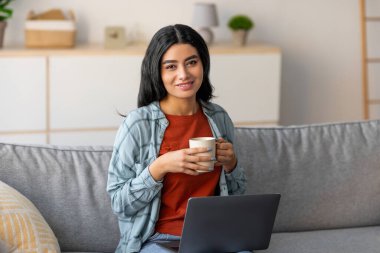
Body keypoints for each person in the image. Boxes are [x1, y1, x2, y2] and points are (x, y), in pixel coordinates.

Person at [107, 24, 247, 253]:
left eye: (192, 62)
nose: (184, 74)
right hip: (159, 240)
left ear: (203, 64)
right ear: (158, 72)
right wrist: (158, 168)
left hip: (216, 237)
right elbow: (119, 204)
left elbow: (238, 196)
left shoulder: (219, 118)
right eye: (171, 66)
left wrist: (232, 165)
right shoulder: (138, 124)